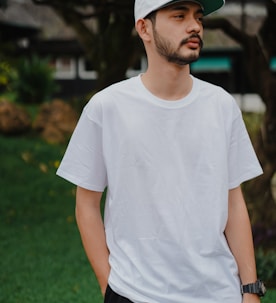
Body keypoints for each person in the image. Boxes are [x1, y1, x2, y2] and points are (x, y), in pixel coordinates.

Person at [57, 1, 266, 302]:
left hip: (219, 293)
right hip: (134, 292)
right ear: (144, 28)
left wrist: (250, 289)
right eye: (179, 16)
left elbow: (234, 202)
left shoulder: (221, 106)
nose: (194, 26)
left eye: (198, 17)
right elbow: (86, 205)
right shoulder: (106, 108)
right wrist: (110, 286)